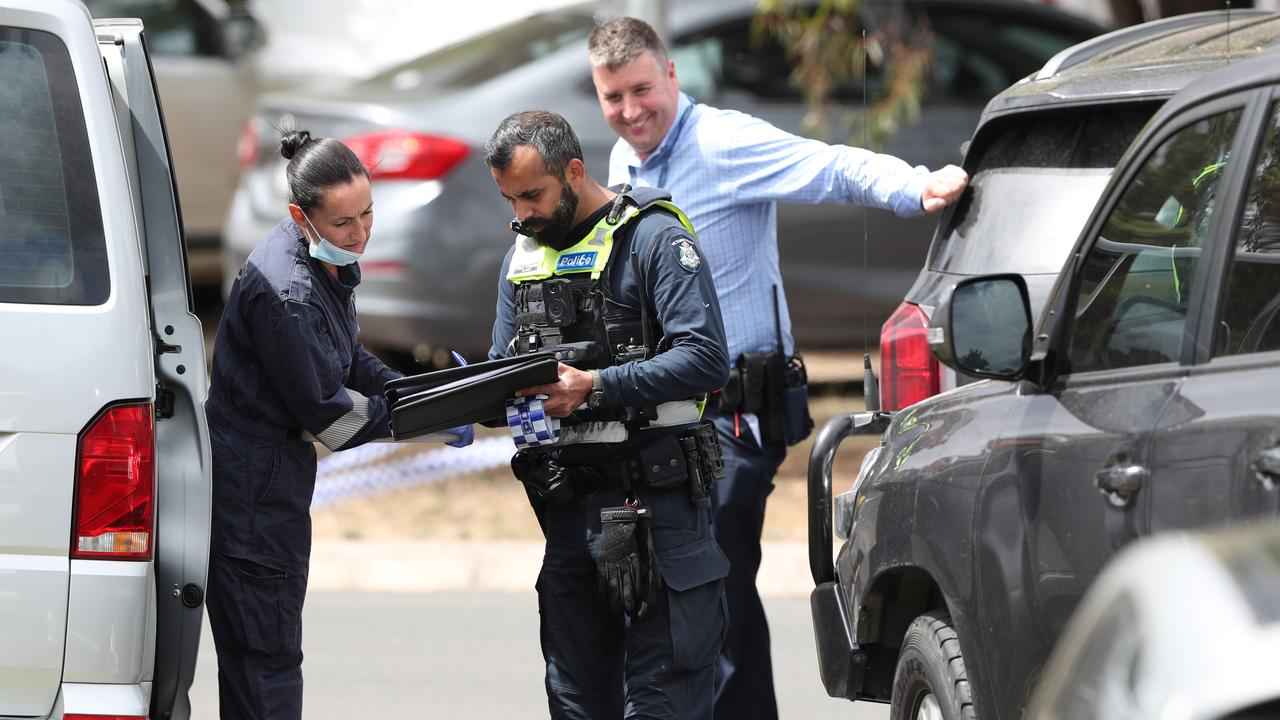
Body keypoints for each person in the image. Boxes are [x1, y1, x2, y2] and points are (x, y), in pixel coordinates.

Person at [587, 17, 969, 719]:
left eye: (642, 89)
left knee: (716, 585)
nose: (631, 110)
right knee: (686, 593)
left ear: (672, 75)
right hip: (668, 417)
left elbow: (832, 167)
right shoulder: (622, 165)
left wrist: (918, 187)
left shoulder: (723, 142)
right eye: (613, 97)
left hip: (736, 415)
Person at [203, 129, 472, 720]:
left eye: (369, 212)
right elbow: (336, 418)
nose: (361, 232)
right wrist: (429, 418)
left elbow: (348, 356)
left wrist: (421, 389)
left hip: (273, 477)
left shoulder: (321, 257)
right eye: (345, 222)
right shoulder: (288, 293)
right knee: (266, 663)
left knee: (267, 657)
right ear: (302, 216)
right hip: (254, 487)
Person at [485, 110, 730, 719]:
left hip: (661, 510)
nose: (522, 213)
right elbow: (501, 369)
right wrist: (469, 404)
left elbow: (704, 358)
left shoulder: (653, 238)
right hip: (569, 518)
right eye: (510, 199)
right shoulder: (522, 256)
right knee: (575, 706)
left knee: (662, 703)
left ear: (573, 171)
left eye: (533, 194)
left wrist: (595, 386)